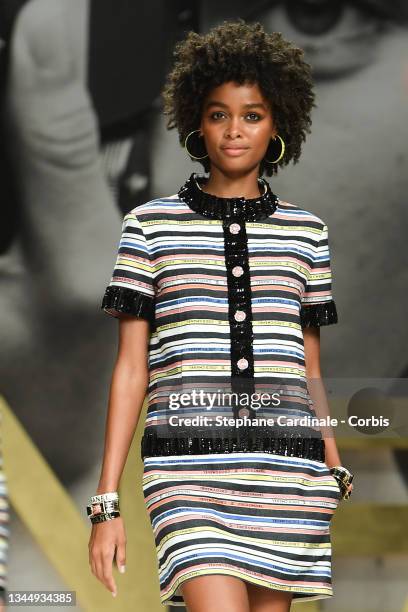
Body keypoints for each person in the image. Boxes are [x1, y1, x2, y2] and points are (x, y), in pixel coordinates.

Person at [88, 19, 354, 611]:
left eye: (252, 115)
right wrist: (107, 501)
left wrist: (332, 461)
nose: (234, 131)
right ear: (196, 122)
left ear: (278, 122)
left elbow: (307, 361)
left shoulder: (307, 233)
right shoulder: (149, 227)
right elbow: (132, 366)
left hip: (286, 468)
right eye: (218, 114)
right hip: (186, 469)